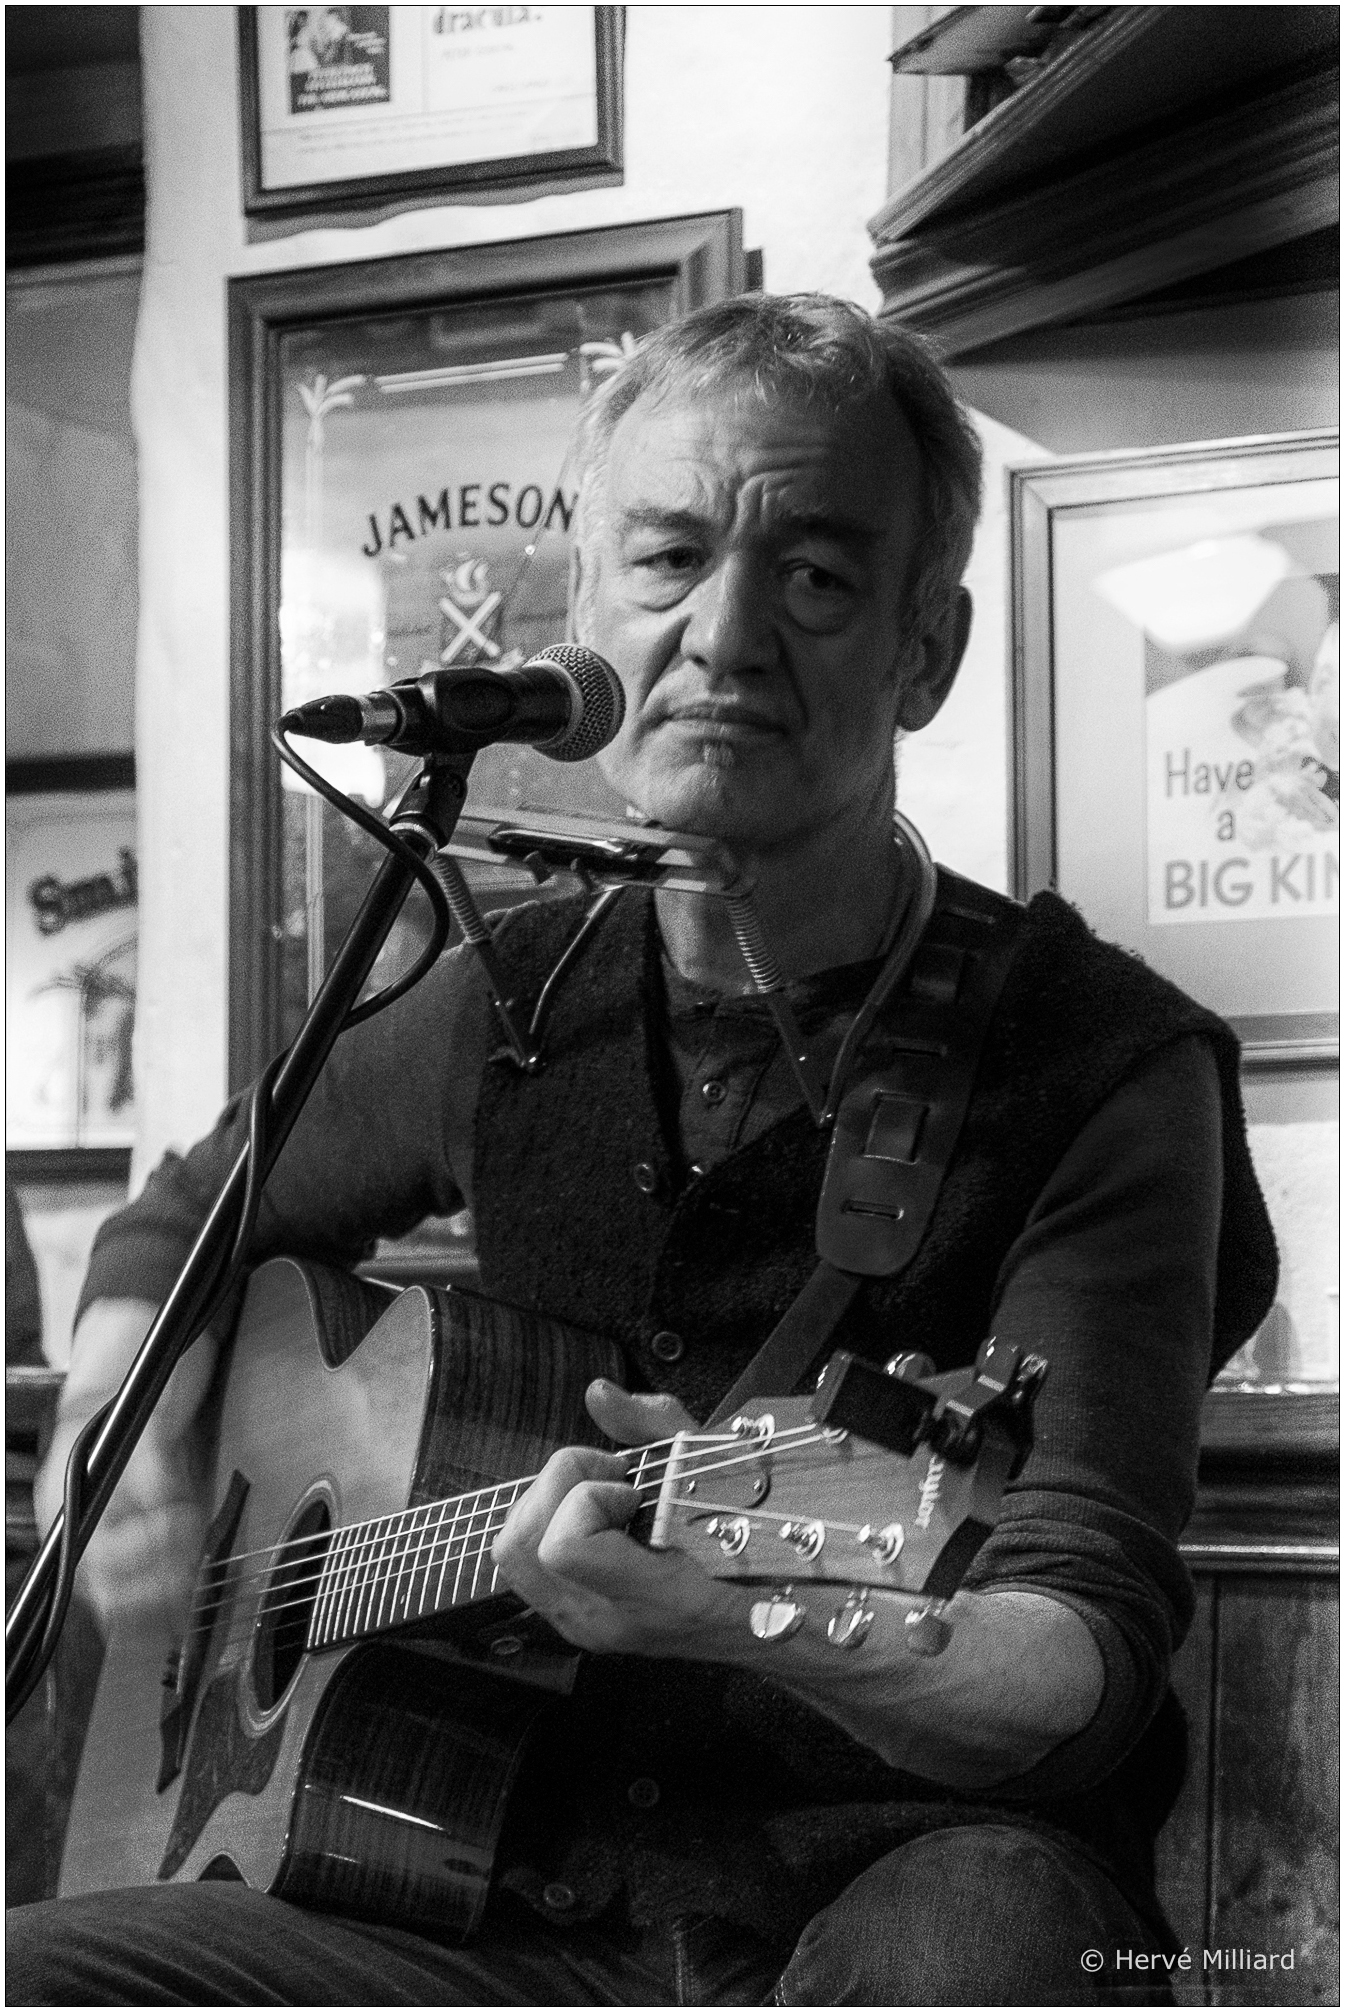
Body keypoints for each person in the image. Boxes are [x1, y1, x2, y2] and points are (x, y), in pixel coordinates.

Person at [9, 294, 1276, 2007]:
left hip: (902, 1864)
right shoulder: (509, 994)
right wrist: (124, 1431)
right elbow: (183, 1218)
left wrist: (740, 1610)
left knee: (972, 1958)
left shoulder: (1105, 1067)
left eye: (813, 576)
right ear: (586, 617)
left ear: (925, 649)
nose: (723, 636)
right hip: (479, 1883)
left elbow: (1081, 1654)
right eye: (670, 560)